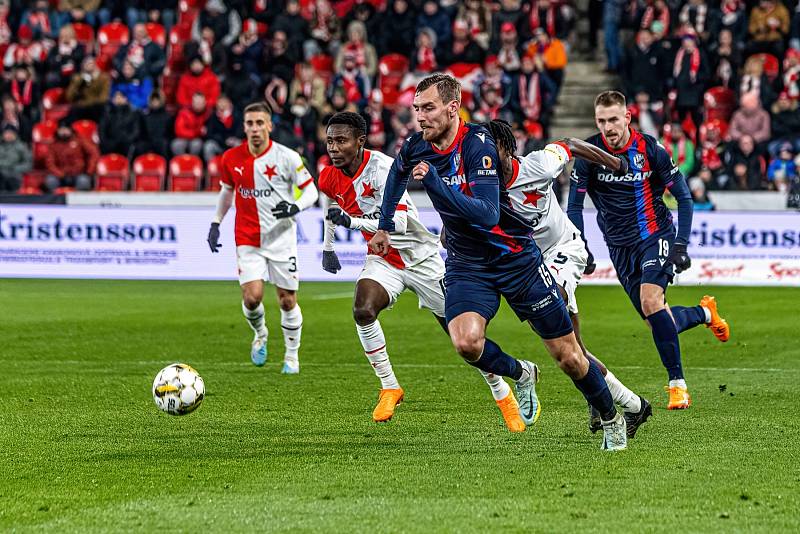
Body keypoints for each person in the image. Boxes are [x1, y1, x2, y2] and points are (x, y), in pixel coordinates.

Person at [372, 73, 628, 451]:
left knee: (569, 356)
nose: (420, 117)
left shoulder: (479, 146)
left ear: (453, 107)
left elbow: (488, 214)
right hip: (468, 264)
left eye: (428, 108)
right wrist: (383, 226)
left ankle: (611, 416)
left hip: (516, 261)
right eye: (416, 109)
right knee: (466, 343)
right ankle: (521, 373)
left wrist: (437, 187)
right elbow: (397, 173)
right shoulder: (417, 146)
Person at [486, 118, 652, 438]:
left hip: (563, 250)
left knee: (555, 300)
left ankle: (606, 401)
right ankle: (633, 405)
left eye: (488, 150)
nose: (482, 159)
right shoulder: (482, 185)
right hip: (529, 266)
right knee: (571, 351)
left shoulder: (539, 164)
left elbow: (572, 144)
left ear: (506, 149)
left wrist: (613, 161)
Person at [568, 91, 730, 410]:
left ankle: (677, 385)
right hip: (619, 246)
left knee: (650, 300)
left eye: (614, 119)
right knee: (656, 319)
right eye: (602, 121)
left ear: (628, 117)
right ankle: (705, 312)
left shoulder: (650, 149)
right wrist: (580, 245)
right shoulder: (589, 153)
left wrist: (681, 244)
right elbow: (574, 205)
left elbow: (684, 197)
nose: (608, 127)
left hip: (655, 234)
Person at [206, 102, 319, 374]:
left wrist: (295, 206)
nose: (255, 129)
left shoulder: (288, 157)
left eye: (260, 123)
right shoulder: (231, 158)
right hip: (247, 238)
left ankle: (292, 357)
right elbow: (226, 192)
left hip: (281, 238)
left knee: (287, 300)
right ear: (244, 127)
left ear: (269, 125)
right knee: (252, 298)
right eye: (250, 124)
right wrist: (215, 222)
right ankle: (261, 334)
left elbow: (312, 192)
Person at [44, 120, 98, 192]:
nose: (63, 132)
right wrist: (61, 175)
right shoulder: (53, 144)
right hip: (61, 175)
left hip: (79, 174)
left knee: (83, 182)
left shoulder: (80, 140)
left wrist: (89, 171)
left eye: (65, 129)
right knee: (50, 181)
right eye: (61, 129)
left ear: (70, 130)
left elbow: (93, 153)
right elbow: (49, 162)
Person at [0, 125, 31, 192]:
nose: (8, 135)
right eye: (6, 133)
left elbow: (28, 164)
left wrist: (14, 168)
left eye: (11, 133)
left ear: (15, 134)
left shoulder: (22, 147)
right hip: (1, 174)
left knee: (11, 180)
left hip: (15, 175)